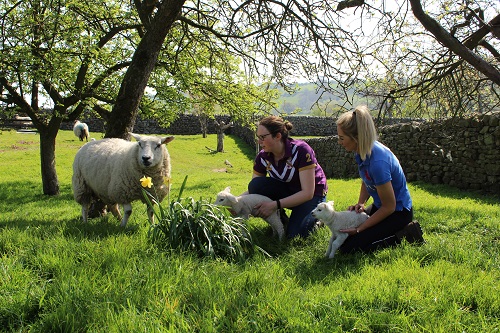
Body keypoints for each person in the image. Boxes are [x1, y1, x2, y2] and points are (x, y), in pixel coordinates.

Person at [336, 105, 424, 253]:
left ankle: (408, 233)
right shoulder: (361, 151)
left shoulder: (378, 162)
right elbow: (367, 179)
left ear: (356, 138)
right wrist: (361, 203)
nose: (339, 142)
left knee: (351, 249)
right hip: (381, 206)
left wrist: (359, 229)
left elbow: (389, 206)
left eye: (341, 138)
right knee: (343, 240)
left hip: (397, 212)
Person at [247, 115, 328, 238]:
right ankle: (282, 218)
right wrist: (235, 201)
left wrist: (274, 205)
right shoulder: (262, 157)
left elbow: (307, 193)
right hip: (288, 191)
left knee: (296, 235)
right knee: (256, 185)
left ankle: (318, 221)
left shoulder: (301, 150)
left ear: (278, 136)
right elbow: (254, 190)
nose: (259, 141)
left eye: (262, 137)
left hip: (312, 195)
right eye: (258, 137)